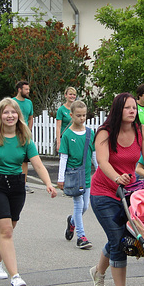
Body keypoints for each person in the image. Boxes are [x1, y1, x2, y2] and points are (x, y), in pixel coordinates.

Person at [0, 97, 57, 286]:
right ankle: (15, 276)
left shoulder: (25, 140)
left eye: (13, 112)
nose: (10, 116)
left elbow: (38, 164)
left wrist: (48, 184)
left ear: (19, 115)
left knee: (6, 229)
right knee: (6, 231)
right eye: (6, 112)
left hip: (17, 186)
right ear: (0, 116)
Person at [89, 92, 144, 286]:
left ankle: (98, 272)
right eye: (128, 108)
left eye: (134, 108)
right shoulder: (105, 132)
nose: (132, 111)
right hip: (103, 192)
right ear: (118, 110)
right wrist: (116, 178)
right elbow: (102, 161)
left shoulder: (142, 131)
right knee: (119, 241)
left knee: (122, 236)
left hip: (129, 193)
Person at [58, 100, 96, 249]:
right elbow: (64, 157)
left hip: (86, 175)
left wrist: (99, 170)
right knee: (78, 204)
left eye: (84, 115)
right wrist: (61, 178)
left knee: (85, 206)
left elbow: (93, 154)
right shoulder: (67, 135)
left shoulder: (89, 133)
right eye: (78, 115)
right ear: (71, 115)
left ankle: (72, 222)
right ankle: (81, 236)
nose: (82, 118)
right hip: (73, 176)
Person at [14, 80, 35, 193]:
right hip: (13, 135)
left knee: (24, 161)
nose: (28, 91)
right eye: (26, 89)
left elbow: (31, 117)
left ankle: (24, 184)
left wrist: (29, 130)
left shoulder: (29, 103)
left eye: (28, 89)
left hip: (25, 135)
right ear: (19, 89)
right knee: (13, 158)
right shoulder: (12, 102)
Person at [55, 86, 77, 152]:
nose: (72, 96)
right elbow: (58, 127)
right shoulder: (61, 110)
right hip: (64, 138)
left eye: (74, 94)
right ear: (65, 95)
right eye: (70, 94)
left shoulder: (77, 109)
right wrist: (58, 142)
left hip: (75, 138)